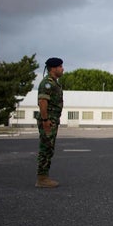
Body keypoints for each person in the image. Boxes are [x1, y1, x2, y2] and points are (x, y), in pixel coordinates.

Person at [36, 57, 65, 188]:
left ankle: (44, 177)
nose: (62, 68)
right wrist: (45, 120)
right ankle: (42, 178)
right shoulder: (47, 83)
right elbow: (43, 102)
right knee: (46, 148)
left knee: (49, 148)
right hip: (48, 121)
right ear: (53, 68)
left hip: (52, 120)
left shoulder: (54, 83)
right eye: (60, 66)